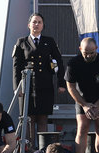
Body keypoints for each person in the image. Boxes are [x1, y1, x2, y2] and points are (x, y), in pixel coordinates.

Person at [12, 12, 66, 145]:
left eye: (39, 22)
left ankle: (43, 149)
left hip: (45, 85)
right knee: (28, 119)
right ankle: (29, 149)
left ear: (43, 25)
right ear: (28, 25)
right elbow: (16, 67)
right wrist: (17, 88)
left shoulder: (49, 41)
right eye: (34, 22)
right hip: (27, 86)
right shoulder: (22, 42)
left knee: (43, 118)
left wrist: (61, 83)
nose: (36, 24)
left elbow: (58, 61)